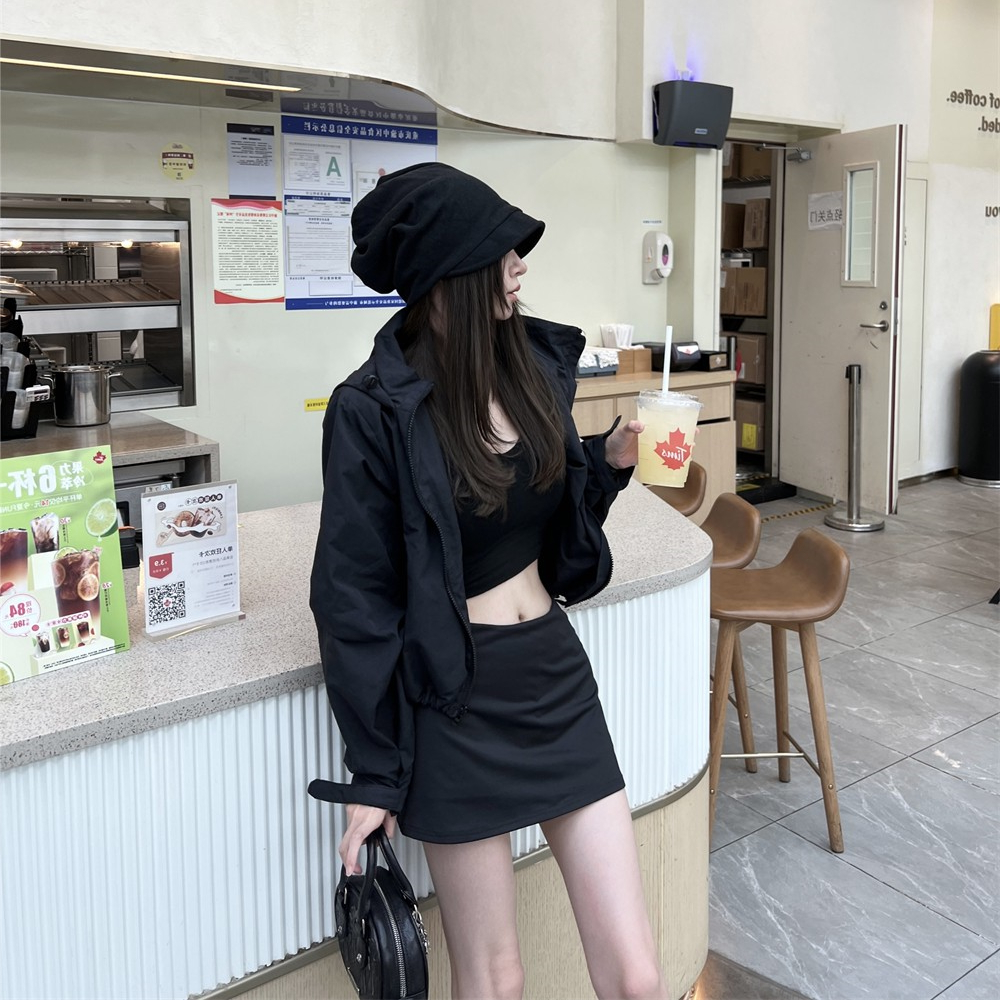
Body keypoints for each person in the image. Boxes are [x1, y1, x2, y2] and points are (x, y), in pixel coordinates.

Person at [309, 162, 668, 1000]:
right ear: (448, 272)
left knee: (638, 977)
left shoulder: (531, 368)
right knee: (494, 982)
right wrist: (374, 773)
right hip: (455, 701)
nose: (520, 265)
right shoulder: (372, 410)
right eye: (502, 250)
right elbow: (352, 599)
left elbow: (540, 511)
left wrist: (607, 463)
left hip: (554, 679)